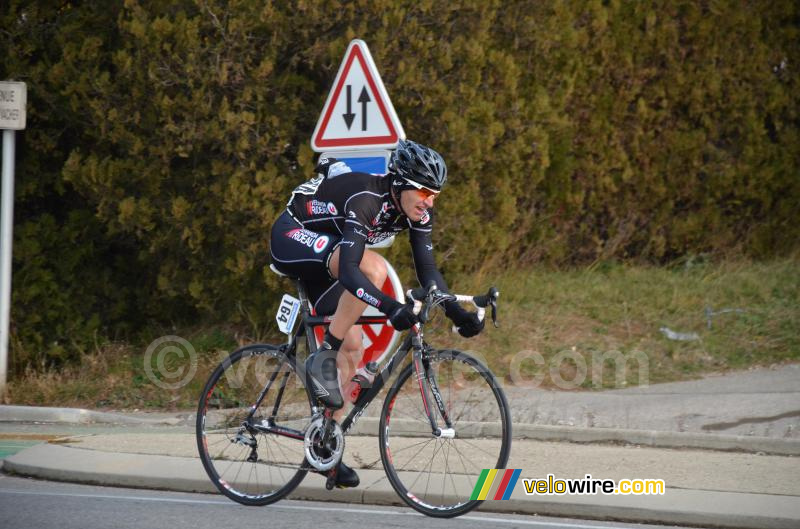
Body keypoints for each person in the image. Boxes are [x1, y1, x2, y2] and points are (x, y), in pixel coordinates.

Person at [269, 139, 484, 488]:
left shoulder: (418, 212)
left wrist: (457, 314)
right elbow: (353, 272)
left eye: (435, 194)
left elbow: (428, 272)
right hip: (294, 235)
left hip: (329, 251)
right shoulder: (366, 199)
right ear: (400, 184)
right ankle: (322, 356)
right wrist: (389, 307)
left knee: (354, 348)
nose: (430, 201)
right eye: (425, 191)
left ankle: (325, 449)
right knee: (375, 270)